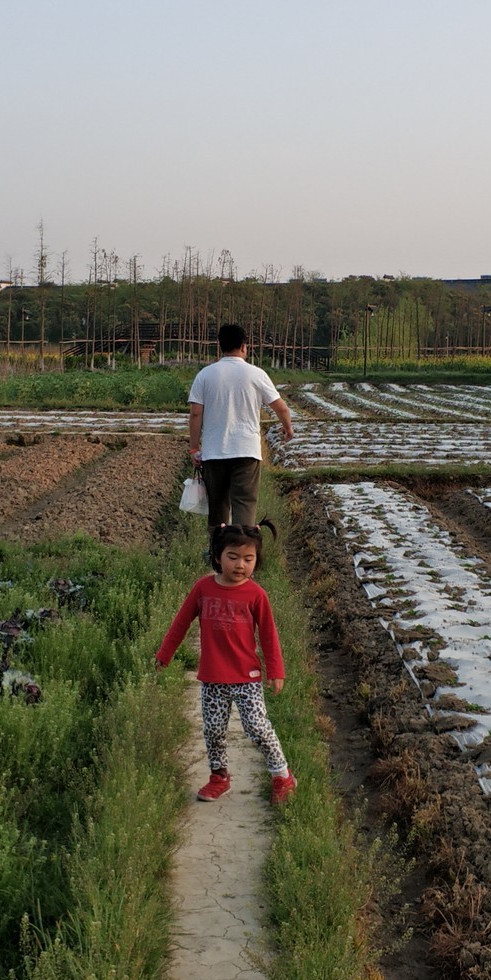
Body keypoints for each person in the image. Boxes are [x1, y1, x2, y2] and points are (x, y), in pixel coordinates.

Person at [156, 520, 296, 804]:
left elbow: (269, 635)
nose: (240, 565)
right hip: (213, 677)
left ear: (257, 560)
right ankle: (219, 777)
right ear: (217, 556)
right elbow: (181, 623)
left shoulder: (256, 595)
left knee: (257, 727)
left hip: (247, 676)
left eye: (248, 559)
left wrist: (276, 670)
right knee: (214, 730)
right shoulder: (203, 589)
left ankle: (282, 775)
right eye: (233, 558)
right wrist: (165, 654)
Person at [188, 323, 293, 534]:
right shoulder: (257, 374)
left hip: (214, 452)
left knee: (217, 507)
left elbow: (195, 413)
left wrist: (193, 447)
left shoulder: (205, 375)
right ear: (244, 347)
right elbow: (281, 408)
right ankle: (243, 554)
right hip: (246, 451)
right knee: (244, 505)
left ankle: (218, 555)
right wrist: (287, 428)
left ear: (220, 346)